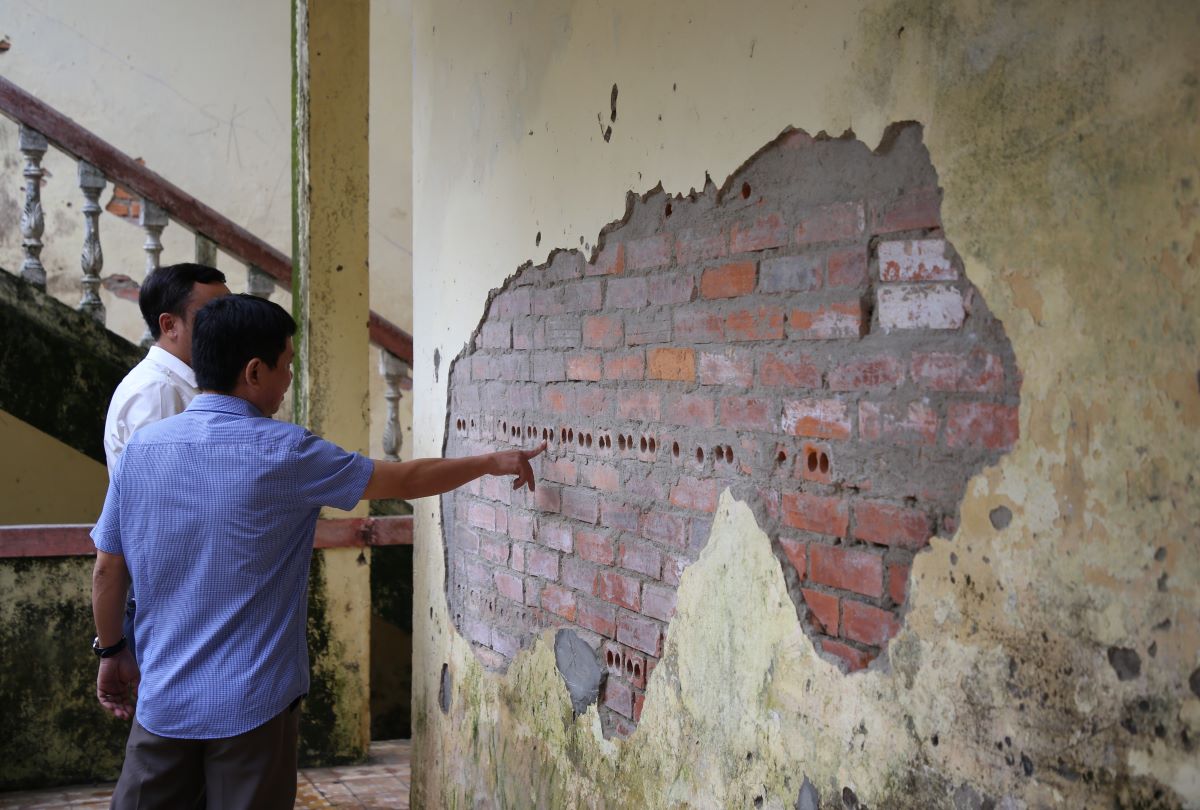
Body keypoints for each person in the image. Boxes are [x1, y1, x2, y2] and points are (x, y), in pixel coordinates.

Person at [90, 294, 544, 809]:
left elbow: (107, 569)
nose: (288, 380)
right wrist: (490, 462)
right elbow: (406, 478)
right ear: (254, 371)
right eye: (285, 366)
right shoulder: (287, 453)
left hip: (163, 700)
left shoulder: (143, 451)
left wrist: (111, 652)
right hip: (253, 706)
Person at [101, 263, 231, 668]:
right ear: (169, 324)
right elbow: (161, 516)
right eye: (212, 315)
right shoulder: (158, 392)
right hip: (178, 602)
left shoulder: (189, 384)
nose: (226, 326)